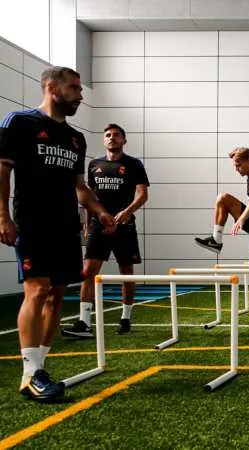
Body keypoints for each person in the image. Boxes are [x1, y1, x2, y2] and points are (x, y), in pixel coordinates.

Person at [0, 67, 116, 401]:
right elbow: (2, 171)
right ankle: (30, 373)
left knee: (56, 294)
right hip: (32, 223)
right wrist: (3, 217)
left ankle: (39, 368)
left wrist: (101, 212)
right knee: (36, 290)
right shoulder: (19, 123)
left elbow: (79, 187)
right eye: (74, 88)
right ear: (52, 88)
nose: (81, 94)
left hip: (66, 225)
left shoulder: (75, 138)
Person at [62, 123, 149, 338]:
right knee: (88, 273)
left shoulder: (134, 164)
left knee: (126, 273)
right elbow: (89, 196)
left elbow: (142, 194)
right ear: (104, 140)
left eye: (117, 135)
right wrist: (87, 221)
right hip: (98, 227)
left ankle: (125, 318)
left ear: (124, 140)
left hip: (124, 226)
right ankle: (84, 322)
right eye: (108, 135)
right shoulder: (94, 165)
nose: (112, 138)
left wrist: (128, 211)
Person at [194, 147, 249, 326]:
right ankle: (216, 240)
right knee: (222, 198)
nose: (236, 169)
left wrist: (240, 218)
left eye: (238, 165)